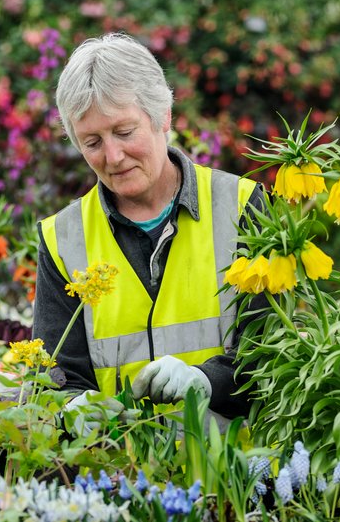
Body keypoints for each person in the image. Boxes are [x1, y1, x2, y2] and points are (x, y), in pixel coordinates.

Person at [32, 32, 265, 428]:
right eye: (92, 142)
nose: (113, 156)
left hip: (238, 463)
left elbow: (271, 353)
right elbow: (56, 378)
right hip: (117, 463)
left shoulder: (243, 206)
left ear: (163, 116)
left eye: (125, 132)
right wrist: (71, 410)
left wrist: (206, 381)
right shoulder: (62, 239)